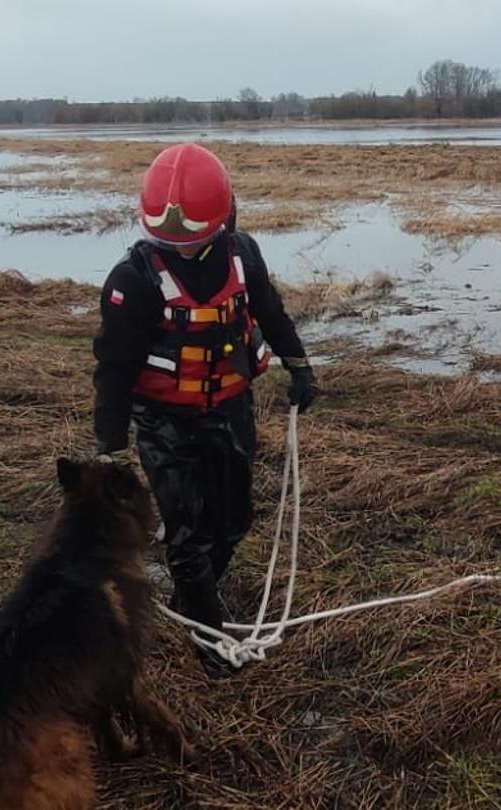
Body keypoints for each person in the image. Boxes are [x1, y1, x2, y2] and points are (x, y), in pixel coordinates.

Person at [91, 142, 318, 673]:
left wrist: (300, 366)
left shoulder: (245, 255)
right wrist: (109, 444)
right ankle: (210, 637)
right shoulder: (134, 280)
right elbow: (115, 366)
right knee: (189, 531)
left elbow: (270, 311)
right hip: (163, 422)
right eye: (172, 244)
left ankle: (193, 601)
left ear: (225, 218)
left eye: (193, 242)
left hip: (231, 410)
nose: (183, 252)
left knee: (233, 520)